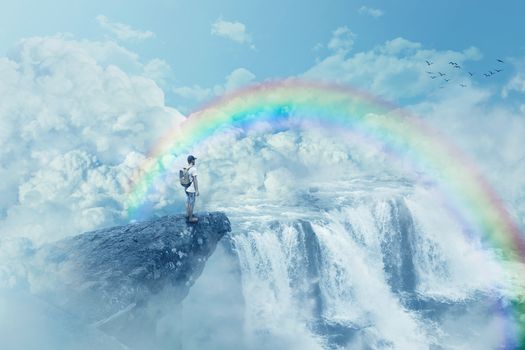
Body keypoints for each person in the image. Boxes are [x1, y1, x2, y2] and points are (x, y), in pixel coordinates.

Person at [184, 155, 199, 222]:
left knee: (187, 201)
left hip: (186, 188)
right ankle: (190, 218)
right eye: (194, 160)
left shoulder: (186, 168)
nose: (195, 161)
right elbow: (195, 180)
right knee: (191, 203)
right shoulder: (193, 169)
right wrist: (197, 190)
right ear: (192, 160)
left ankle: (187, 214)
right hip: (191, 189)